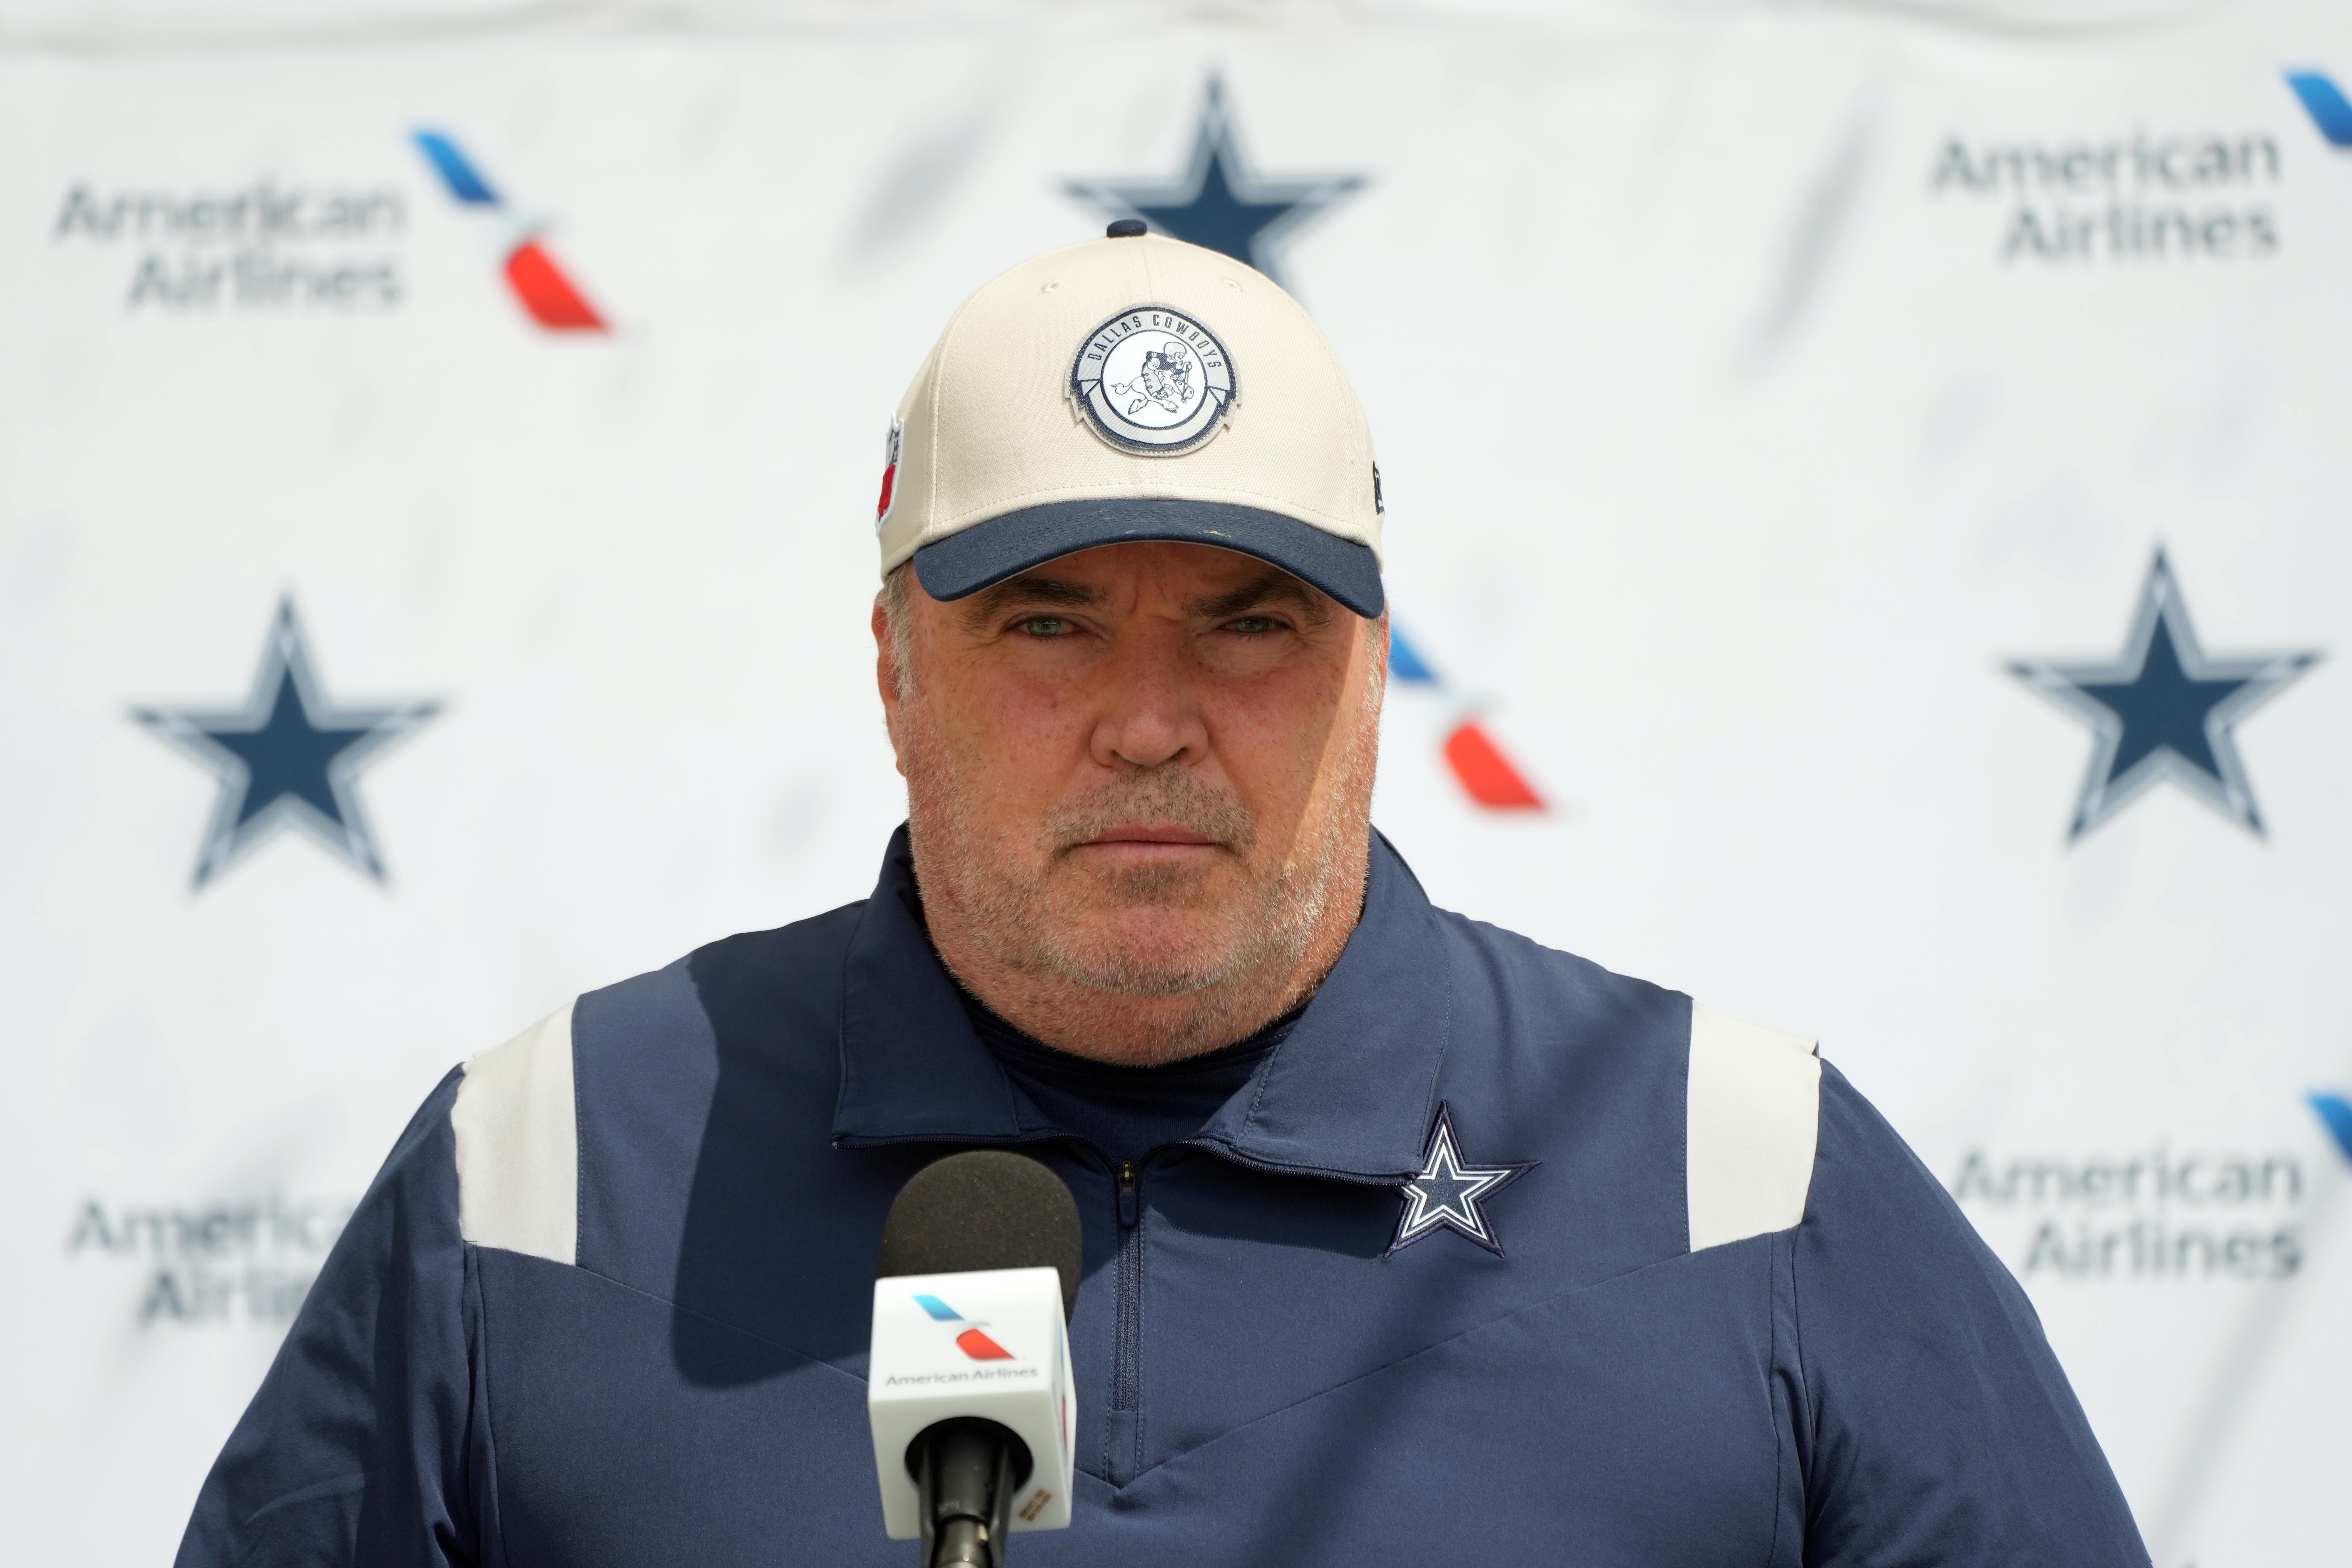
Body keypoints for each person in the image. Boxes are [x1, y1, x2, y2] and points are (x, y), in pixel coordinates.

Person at [177, 226, 2151, 1567]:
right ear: (892, 672)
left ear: (1374, 677)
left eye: (1248, 624)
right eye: (1045, 621)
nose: (1147, 723)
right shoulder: (548, 1174)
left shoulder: (1741, 1169)